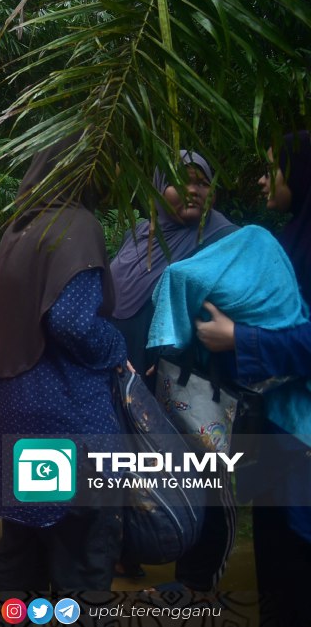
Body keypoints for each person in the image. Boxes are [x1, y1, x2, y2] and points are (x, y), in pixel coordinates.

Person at [0, 134, 126, 591]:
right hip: (63, 417)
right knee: (80, 556)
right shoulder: (76, 226)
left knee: (20, 549)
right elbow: (74, 323)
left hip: (14, 415)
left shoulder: (19, 229)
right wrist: (117, 349)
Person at [195, 132, 311, 627]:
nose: (263, 180)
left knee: (299, 560)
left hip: (301, 436)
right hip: (271, 429)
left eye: (273, 169)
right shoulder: (287, 240)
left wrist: (241, 339)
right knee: (271, 556)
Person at [107, 150, 238, 588]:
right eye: (180, 182)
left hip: (194, 388)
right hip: (131, 381)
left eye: (201, 182)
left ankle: (197, 582)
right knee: (131, 467)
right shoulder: (141, 233)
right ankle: (128, 552)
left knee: (204, 474)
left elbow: (230, 313)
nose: (193, 191)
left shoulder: (223, 239)